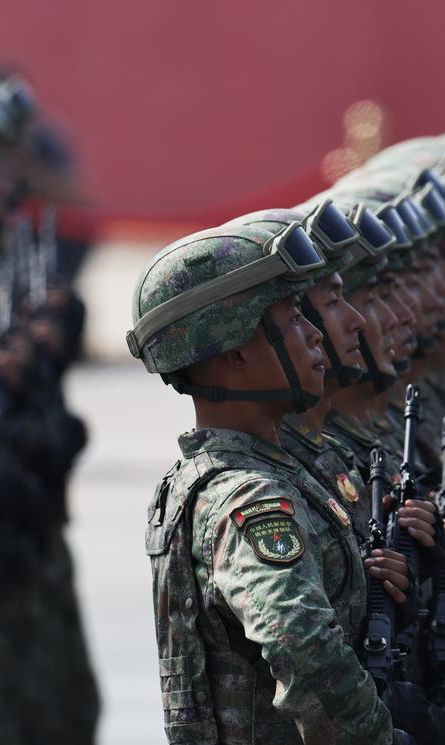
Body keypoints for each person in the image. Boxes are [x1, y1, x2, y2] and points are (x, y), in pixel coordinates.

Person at [129, 222, 395, 744]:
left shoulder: (265, 472)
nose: (316, 334)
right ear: (234, 352)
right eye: (294, 320)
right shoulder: (248, 497)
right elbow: (304, 648)